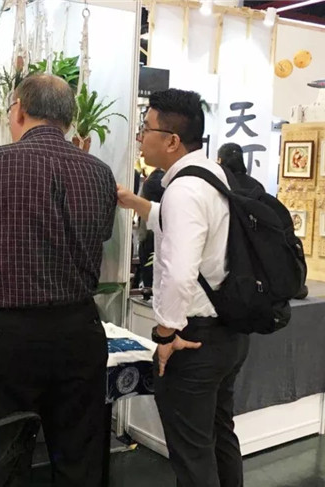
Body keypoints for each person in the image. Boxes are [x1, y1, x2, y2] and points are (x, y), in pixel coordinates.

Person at [0, 74, 117, 487]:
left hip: (8, 333)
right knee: (79, 450)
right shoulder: (100, 172)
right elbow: (100, 238)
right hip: (79, 329)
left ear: (19, 109)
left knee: (1, 454)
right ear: (70, 118)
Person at [117, 89, 249, 487]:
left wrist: (165, 334)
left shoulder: (183, 190)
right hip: (228, 332)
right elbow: (189, 227)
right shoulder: (211, 176)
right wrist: (137, 204)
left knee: (192, 456)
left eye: (146, 128)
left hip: (193, 341)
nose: (141, 137)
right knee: (219, 437)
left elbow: (179, 273)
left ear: (172, 140)